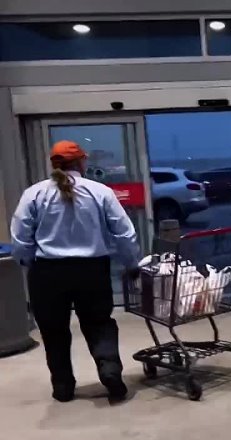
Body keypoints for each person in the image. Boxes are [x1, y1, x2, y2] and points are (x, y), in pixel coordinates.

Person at [10, 141, 141, 403]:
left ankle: (63, 386)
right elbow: (124, 233)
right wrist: (131, 264)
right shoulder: (100, 191)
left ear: (53, 164)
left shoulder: (34, 194)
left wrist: (27, 262)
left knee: (53, 329)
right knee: (99, 324)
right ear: (82, 162)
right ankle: (110, 370)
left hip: (48, 272)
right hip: (92, 271)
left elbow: (21, 237)